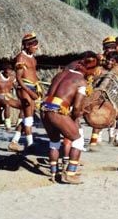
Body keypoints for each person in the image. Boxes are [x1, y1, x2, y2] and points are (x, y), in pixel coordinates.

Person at [41, 51, 98, 184]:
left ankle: (54, 172)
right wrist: (74, 118)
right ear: (88, 69)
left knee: (54, 141)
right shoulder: (81, 82)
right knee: (78, 140)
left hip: (44, 109)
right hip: (57, 111)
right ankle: (70, 173)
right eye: (93, 71)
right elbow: (77, 107)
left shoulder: (60, 74)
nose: (93, 74)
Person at [9, 32, 42, 151]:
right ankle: (30, 143)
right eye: (35, 45)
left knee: (27, 116)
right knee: (28, 116)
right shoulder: (21, 58)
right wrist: (29, 91)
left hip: (32, 87)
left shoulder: (33, 58)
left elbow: (33, 74)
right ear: (27, 45)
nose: (37, 47)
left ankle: (14, 141)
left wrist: (37, 87)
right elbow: (18, 78)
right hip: (24, 88)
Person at [0, 62, 20, 131]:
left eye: (10, 70)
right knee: (6, 105)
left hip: (8, 96)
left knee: (22, 105)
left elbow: (16, 86)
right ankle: (7, 126)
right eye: (7, 71)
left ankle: (20, 125)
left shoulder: (12, 77)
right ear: (4, 70)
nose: (9, 72)